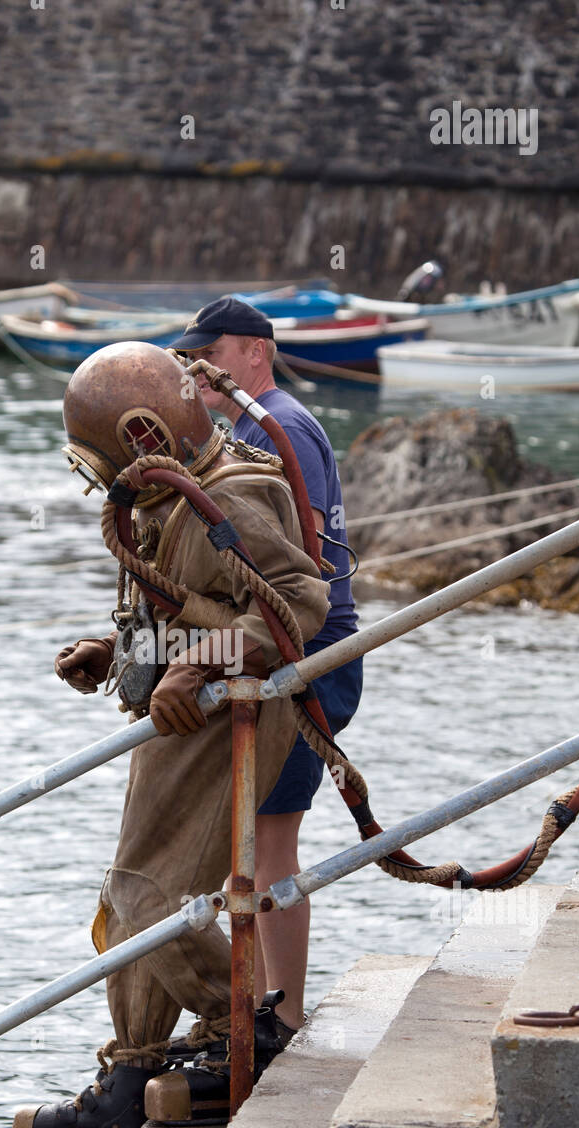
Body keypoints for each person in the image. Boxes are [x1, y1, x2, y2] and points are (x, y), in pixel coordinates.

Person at [12, 341, 331, 1128]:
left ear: (145, 434)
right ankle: (137, 1067)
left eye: (105, 460)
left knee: (148, 894)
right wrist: (116, 653)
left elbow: (298, 606)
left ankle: (247, 1028)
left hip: (227, 719)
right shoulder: (166, 497)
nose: (100, 480)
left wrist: (209, 659)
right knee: (135, 894)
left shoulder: (237, 495)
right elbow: (181, 606)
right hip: (182, 717)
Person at [169, 297, 362, 1033]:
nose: (195, 370)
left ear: (255, 352)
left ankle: (282, 1013)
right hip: (279, 649)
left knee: (269, 834)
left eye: (206, 355)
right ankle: (257, 1003)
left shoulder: (285, 428)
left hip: (310, 655)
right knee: (247, 833)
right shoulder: (247, 428)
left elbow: (298, 563)